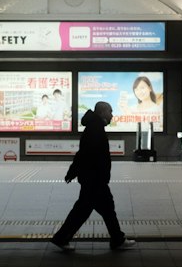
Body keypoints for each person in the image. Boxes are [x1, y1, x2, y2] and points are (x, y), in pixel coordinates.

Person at [50, 100, 136, 252]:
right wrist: (74, 171)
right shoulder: (95, 128)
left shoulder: (94, 127)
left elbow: (83, 153)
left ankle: (117, 239)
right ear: (102, 112)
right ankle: (62, 237)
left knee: (100, 209)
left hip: (93, 178)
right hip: (94, 179)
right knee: (87, 210)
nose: (112, 115)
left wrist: (74, 171)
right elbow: (86, 154)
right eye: (110, 111)